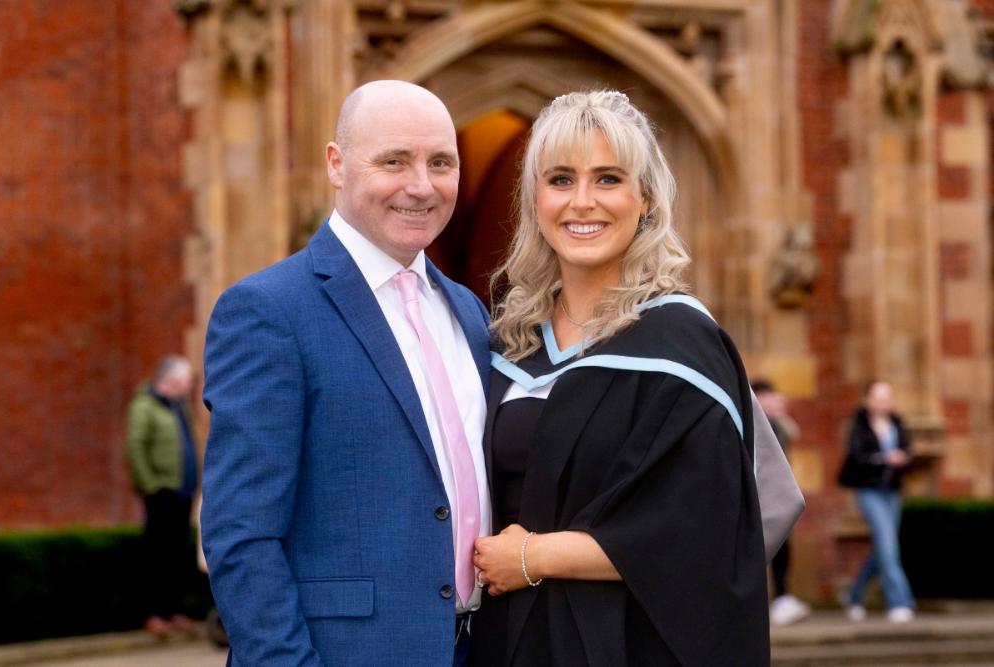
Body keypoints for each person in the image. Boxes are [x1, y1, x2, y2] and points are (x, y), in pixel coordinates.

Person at [470, 90, 769, 666]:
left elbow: (702, 533)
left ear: (646, 200)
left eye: (608, 179)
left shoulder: (682, 347)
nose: (582, 202)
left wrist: (535, 556)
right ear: (534, 200)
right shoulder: (507, 342)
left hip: (629, 644)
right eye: (560, 179)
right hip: (506, 641)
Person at [201, 80, 490, 666]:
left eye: (441, 162)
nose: (421, 185)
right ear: (337, 164)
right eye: (394, 161)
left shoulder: (470, 311)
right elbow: (241, 535)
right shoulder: (269, 310)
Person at [124, 354, 199, 636]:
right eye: (188, 380)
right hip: (161, 493)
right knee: (157, 555)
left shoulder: (179, 407)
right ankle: (154, 614)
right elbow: (135, 446)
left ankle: (172, 612)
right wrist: (151, 486)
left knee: (176, 555)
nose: (190, 385)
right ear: (173, 379)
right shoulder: (145, 406)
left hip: (182, 492)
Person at [838, 380, 916, 623]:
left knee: (884, 548)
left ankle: (853, 594)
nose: (884, 403)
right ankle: (900, 602)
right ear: (867, 401)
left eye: (887, 398)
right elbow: (856, 457)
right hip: (869, 491)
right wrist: (884, 459)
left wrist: (904, 458)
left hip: (891, 492)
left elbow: (909, 451)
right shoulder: (859, 426)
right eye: (878, 398)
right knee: (888, 545)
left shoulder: (897, 423)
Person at [753, 378, 811, 627]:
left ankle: (782, 598)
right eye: (771, 398)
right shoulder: (752, 425)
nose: (778, 403)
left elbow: (794, 433)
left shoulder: (777, 425)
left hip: (775, 496)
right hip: (759, 496)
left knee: (782, 548)